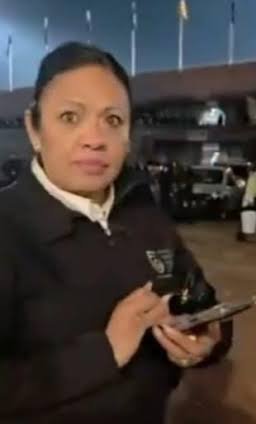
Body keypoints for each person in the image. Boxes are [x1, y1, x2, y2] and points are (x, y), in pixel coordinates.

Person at [0, 42, 232, 423]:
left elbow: (201, 298)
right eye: (70, 117)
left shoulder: (143, 213)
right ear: (34, 128)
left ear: (128, 135)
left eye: (112, 120)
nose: (95, 138)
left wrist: (210, 338)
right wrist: (105, 351)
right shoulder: (9, 228)